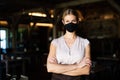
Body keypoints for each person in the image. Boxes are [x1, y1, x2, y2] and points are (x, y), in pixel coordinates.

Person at [46, 8, 91, 80]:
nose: (70, 23)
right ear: (63, 22)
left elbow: (86, 70)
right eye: (67, 21)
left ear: (77, 21)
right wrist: (78, 66)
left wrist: (58, 68)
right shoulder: (55, 43)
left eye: (73, 21)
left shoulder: (85, 43)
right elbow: (50, 68)